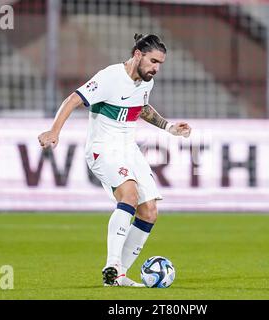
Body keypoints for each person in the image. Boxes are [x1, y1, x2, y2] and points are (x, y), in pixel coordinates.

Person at [38, 34, 191, 287]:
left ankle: (117, 277)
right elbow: (72, 99)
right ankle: (112, 264)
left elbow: (141, 108)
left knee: (149, 212)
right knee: (128, 195)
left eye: (160, 64)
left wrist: (169, 127)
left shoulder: (145, 83)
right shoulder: (109, 77)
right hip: (103, 149)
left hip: (128, 149)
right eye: (153, 61)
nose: (156, 68)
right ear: (138, 54)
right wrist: (54, 131)